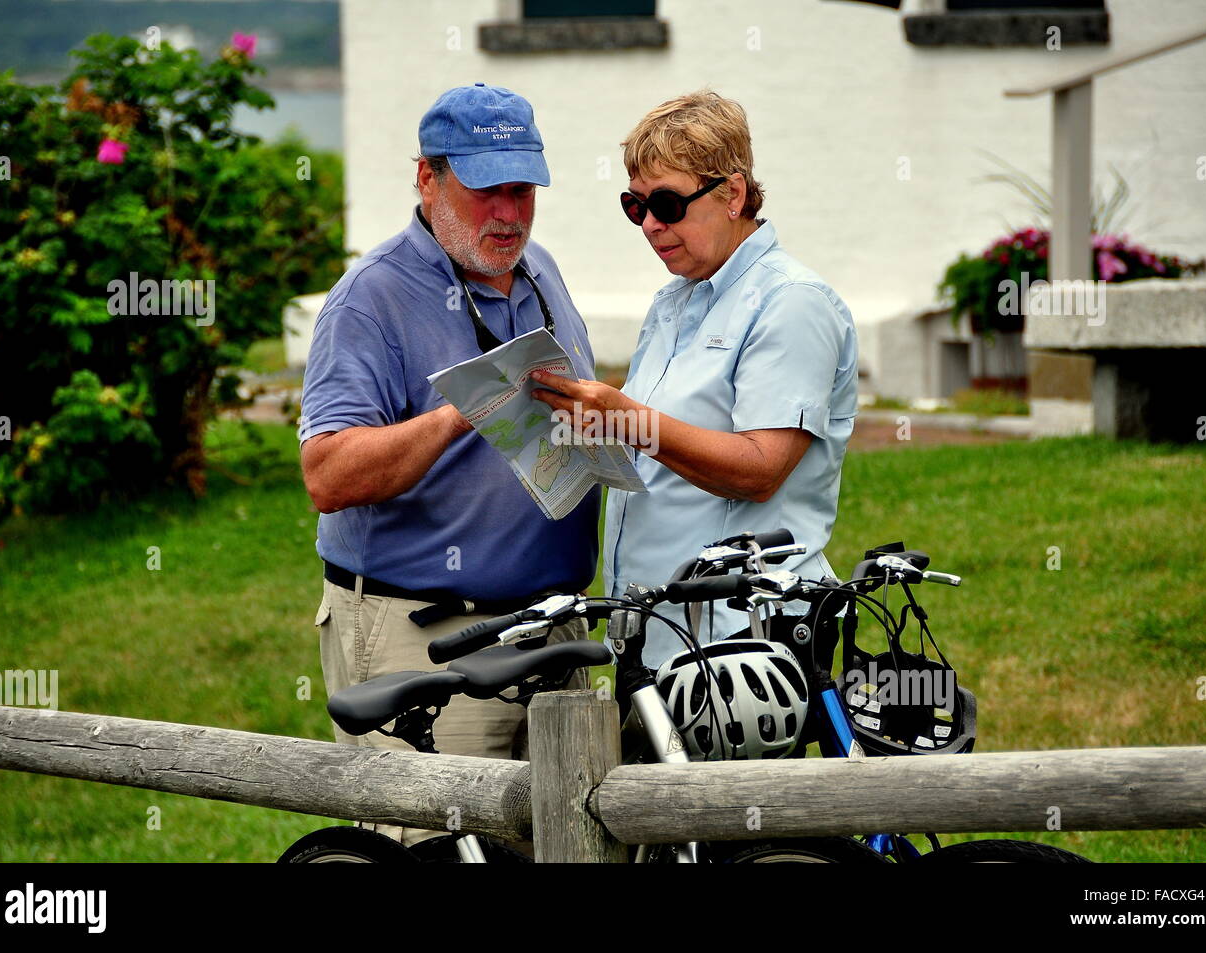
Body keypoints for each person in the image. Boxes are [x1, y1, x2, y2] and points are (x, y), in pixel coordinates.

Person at [299, 83, 598, 847]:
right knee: (438, 849)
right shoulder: (368, 300)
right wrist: (458, 412)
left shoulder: (542, 272)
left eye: (523, 189)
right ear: (427, 179)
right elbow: (327, 475)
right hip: (426, 635)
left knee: (566, 843)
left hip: (553, 628)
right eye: (485, 189)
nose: (509, 213)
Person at [532, 89, 858, 667]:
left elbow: (761, 471)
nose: (650, 225)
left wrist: (625, 418)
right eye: (635, 207)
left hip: (740, 640)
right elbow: (659, 451)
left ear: (732, 194)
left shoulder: (792, 302)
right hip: (660, 636)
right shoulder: (674, 301)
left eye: (668, 204)